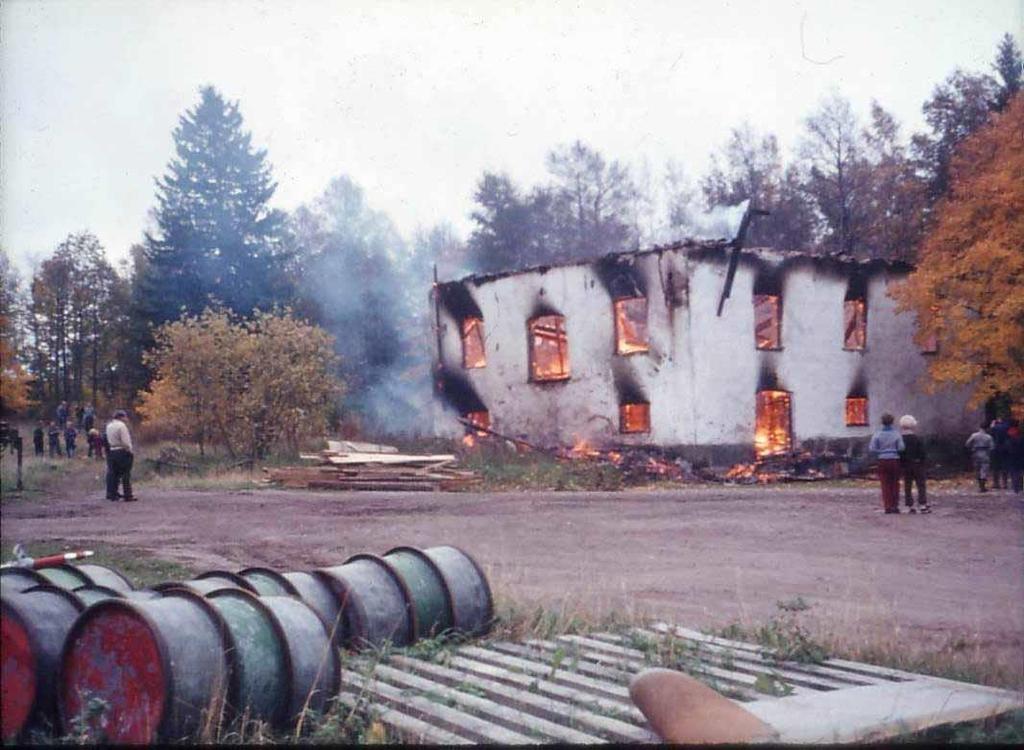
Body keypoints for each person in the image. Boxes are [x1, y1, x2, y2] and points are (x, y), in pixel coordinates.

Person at [869, 413, 905, 514]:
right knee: (895, 483)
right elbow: (901, 447)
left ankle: (887, 506)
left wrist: (880, 451)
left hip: (882, 459)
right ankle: (895, 505)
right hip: (894, 459)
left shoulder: (878, 434)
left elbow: (872, 448)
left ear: (882, 422)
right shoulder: (896, 434)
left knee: (885, 483)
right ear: (892, 422)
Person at [898, 415, 930, 513]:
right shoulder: (917, 439)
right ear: (913, 426)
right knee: (921, 485)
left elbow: (900, 452)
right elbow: (922, 452)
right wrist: (923, 461)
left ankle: (909, 505)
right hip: (917, 464)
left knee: (907, 485)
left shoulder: (900, 439)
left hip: (906, 465)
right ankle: (922, 504)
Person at [105, 409, 137, 502]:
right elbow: (125, 441)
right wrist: (130, 450)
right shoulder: (122, 426)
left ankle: (112, 494)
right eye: (125, 417)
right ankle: (128, 494)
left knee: (113, 473)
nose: (126, 419)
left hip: (112, 451)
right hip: (122, 451)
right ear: (121, 417)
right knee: (126, 474)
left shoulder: (109, 425)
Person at [965, 423, 995, 493]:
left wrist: (972, 448)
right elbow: (992, 447)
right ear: (987, 428)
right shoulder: (988, 437)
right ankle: (982, 486)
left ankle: (979, 485)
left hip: (975, 452)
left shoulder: (974, 435)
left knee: (977, 469)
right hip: (985, 453)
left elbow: (967, 444)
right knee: (984, 469)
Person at [989, 417, 1010, 490]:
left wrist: (992, 425)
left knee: (996, 466)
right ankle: (1005, 483)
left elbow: (991, 435)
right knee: (1005, 466)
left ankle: (996, 483)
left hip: (996, 448)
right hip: (1005, 448)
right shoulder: (1007, 426)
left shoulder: (994, 427)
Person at [1005, 419, 1023, 495]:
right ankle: (1020, 485)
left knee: (1014, 472)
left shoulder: (1008, 433)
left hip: (1011, 455)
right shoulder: (1020, 434)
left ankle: (1016, 487)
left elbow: (1006, 446)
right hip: (1020, 455)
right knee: (1020, 471)